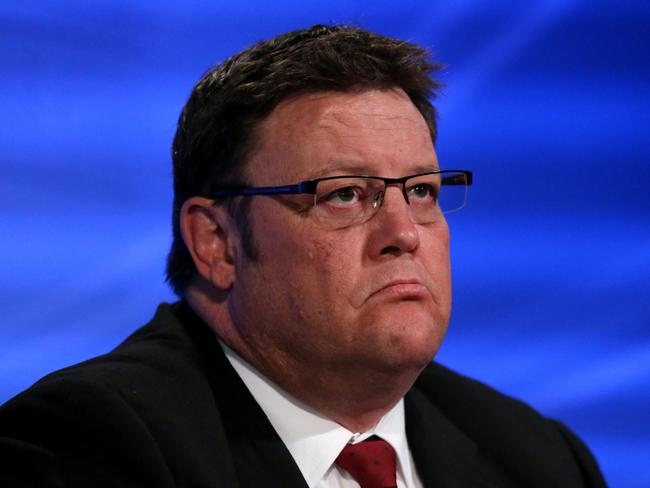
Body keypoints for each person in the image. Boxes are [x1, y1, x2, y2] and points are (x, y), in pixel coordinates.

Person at [0, 24, 606, 487]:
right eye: (344, 194)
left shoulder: (537, 458)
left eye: (421, 191)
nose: (405, 232)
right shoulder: (89, 444)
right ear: (217, 242)